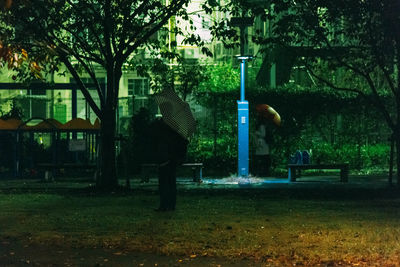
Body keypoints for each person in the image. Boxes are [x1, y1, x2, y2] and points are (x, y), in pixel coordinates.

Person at [147, 118, 188, 211]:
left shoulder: (163, 127)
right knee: (171, 181)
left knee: (164, 182)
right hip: (172, 158)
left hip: (166, 158)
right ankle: (171, 204)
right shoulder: (176, 127)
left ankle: (164, 205)